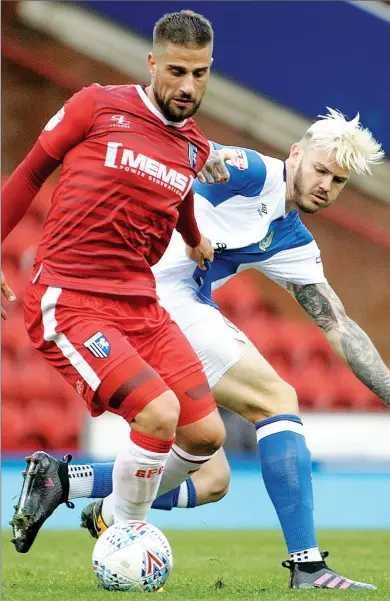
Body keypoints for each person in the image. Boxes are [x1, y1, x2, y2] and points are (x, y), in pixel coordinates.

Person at [9, 110, 388, 589]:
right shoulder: (255, 173)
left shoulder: (293, 240)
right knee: (278, 400)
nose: (325, 185)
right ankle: (307, 566)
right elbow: (207, 157)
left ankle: (64, 481)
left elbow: (340, 327)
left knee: (212, 480)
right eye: (320, 169)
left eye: (338, 181)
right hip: (152, 295)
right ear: (296, 153)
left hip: (169, 308)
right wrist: (203, 166)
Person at [2, 10, 234, 556]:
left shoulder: (194, 147)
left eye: (200, 74)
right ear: (152, 62)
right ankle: (121, 541)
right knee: (157, 413)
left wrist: (196, 237)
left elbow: (177, 196)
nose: (188, 86)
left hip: (140, 303)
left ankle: (80, 490)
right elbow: (31, 171)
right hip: (72, 297)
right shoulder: (96, 104)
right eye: (177, 71)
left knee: (206, 437)